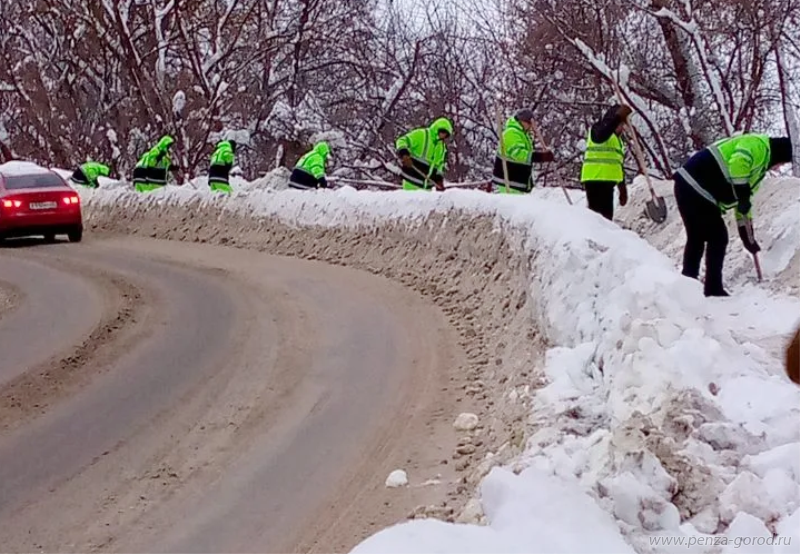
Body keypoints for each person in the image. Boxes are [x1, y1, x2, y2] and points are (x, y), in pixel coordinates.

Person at [673, 134, 793, 297]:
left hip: (689, 185)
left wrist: (747, 237)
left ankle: (688, 285)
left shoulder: (759, 168)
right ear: (779, 155)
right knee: (718, 237)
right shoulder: (758, 146)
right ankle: (712, 288)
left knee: (697, 237)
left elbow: (743, 204)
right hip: (696, 186)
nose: (778, 168)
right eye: (781, 164)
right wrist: (743, 196)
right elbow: (737, 165)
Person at [580, 104, 632, 219]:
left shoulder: (616, 140)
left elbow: (617, 164)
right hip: (595, 179)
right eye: (621, 124)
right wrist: (617, 118)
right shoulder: (598, 128)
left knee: (606, 219)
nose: (622, 128)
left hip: (607, 183)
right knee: (597, 220)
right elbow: (601, 136)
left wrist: (622, 187)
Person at [492, 108, 554, 194]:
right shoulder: (512, 133)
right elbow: (518, 154)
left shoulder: (522, 134)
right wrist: (540, 157)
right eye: (529, 123)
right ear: (522, 121)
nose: (530, 126)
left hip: (517, 182)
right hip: (509, 181)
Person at [395, 117, 453, 191]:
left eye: (445, 134)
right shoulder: (422, 134)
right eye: (442, 132)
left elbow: (439, 166)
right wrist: (404, 154)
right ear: (437, 129)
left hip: (426, 187)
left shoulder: (441, 147)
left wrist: (439, 180)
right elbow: (402, 140)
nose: (443, 135)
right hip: (411, 182)